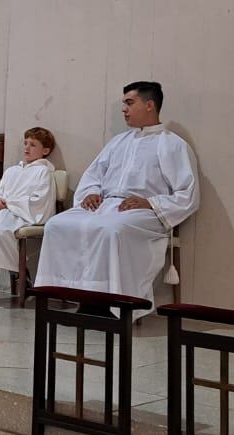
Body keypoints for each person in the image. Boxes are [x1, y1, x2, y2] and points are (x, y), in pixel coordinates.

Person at [36, 82, 199, 312]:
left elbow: (188, 194)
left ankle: (110, 304)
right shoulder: (118, 142)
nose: (124, 109)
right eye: (124, 104)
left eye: (129, 103)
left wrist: (151, 202)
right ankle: (65, 295)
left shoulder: (172, 144)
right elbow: (94, 174)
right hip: (106, 205)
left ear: (150, 105)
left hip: (144, 213)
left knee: (112, 229)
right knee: (56, 224)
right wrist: (91, 193)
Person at [0, 127, 58, 291]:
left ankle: (19, 274)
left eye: (33, 145)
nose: (27, 148)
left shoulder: (44, 172)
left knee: (0, 232)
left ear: (46, 150)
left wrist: (10, 203)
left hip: (22, 215)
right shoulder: (12, 171)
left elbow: (39, 201)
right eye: (25, 143)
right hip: (3, 211)